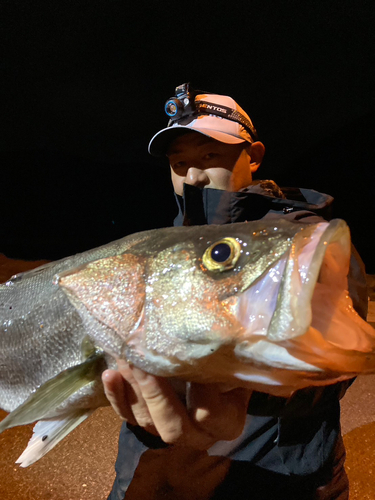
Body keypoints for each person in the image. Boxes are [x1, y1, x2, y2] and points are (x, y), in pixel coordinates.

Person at [103, 84, 368, 499]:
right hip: (153, 472)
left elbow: (334, 369)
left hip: (272, 475)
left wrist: (229, 383)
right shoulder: (161, 245)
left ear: (254, 156)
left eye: (211, 156)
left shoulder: (304, 240)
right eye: (180, 162)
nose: (194, 175)